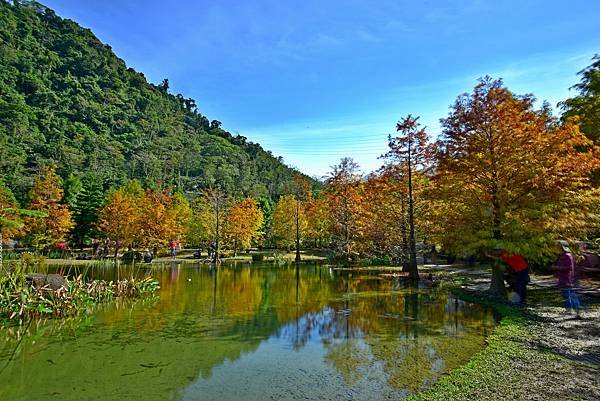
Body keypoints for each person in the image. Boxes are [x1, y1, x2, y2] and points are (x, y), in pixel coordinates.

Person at [553, 241, 581, 318]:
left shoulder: (567, 256)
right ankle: (569, 311)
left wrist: (558, 268)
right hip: (565, 278)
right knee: (566, 295)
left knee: (570, 295)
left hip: (567, 279)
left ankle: (577, 312)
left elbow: (569, 268)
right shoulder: (566, 255)